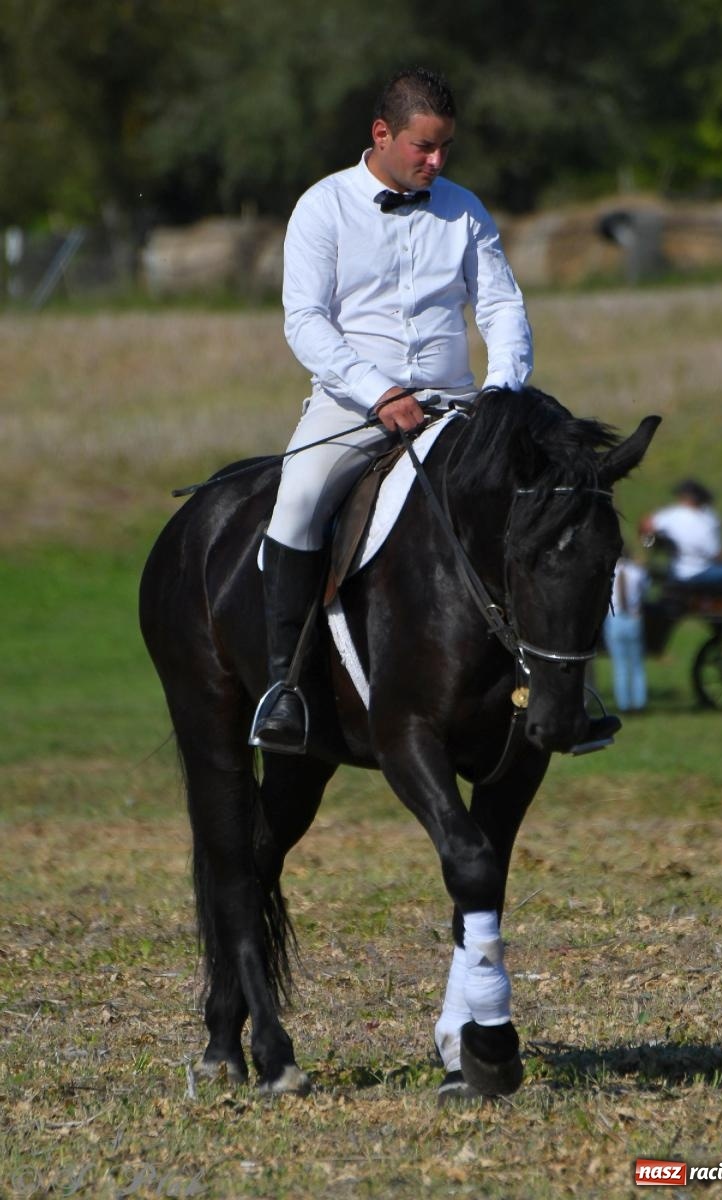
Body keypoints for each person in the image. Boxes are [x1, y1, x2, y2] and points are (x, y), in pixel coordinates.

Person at [251, 67, 533, 752]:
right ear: (382, 134)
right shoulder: (323, 207)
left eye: (444, 150)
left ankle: (558, 681)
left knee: (542, 501)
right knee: (297, 501)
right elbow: (305, 321)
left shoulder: (465, 209)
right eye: (423, 148)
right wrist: (380, 391)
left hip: (460, 407)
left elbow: (499, 305)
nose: (437, 163)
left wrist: (504, 394)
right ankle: (283, 690)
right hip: (353, 406)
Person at [639, 479, 722, 622]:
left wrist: (650, 541)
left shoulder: (670, 515)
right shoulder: (706, 520)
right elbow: (717, 556)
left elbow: (645, 524)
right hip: (698, 572)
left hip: (677, 571)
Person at [603, 550, 649, 713]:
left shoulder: (608, 573)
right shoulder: (637, 571)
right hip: (633, 618)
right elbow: (646, 592)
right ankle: (639, 702)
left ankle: (624, 704)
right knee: (637, 664)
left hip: (614, 619)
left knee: (620, 665)